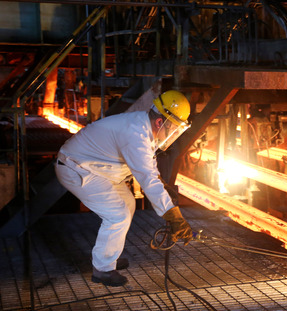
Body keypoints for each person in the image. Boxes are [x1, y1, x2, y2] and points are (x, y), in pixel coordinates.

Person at [55, 90, 194, 286]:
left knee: (128, 203)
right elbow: (146, 178)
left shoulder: (143, 126)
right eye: (173, 128)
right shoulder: (135, 134)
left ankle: (108, 256)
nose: (173, 134)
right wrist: (173, 215)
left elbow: (149, 170)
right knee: (117, 214)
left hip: (96, 169)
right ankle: (102, 270)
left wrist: (163, 187)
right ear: (160, 122)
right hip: (77, 169)